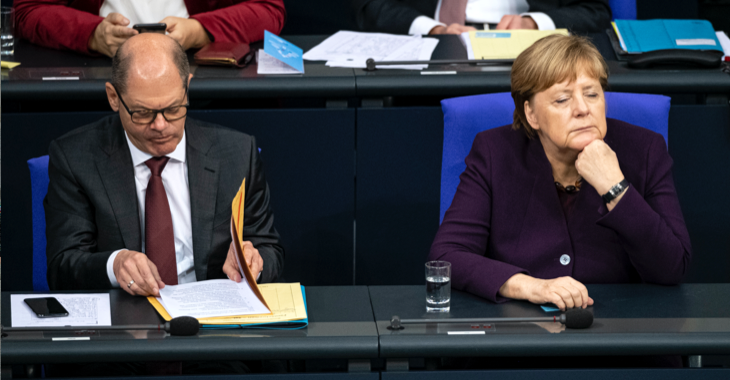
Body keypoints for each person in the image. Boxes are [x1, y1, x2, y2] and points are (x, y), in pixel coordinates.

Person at [429, 34, 692, 311]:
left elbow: (673, 267)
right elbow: (448, 256)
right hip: (522, 335)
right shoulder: (495, 152)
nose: (582, 109)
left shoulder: (644, 150)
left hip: (621, 332)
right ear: (531, 114)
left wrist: (615, 187)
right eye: (562, 99)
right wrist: (531, 286)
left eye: (592, 94)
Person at [44, 33, 284, 296]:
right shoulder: (76, 157)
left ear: (187, 88)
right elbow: (62, 268)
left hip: (211, 319)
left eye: (173, 109)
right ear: (114, 98)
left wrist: (254, 263)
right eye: (143, 113)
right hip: (126, 318)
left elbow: (269, 250)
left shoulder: (236, 154)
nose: (160, 126)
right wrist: (114, 265)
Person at [15, 0, 286, 57]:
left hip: (199, 86)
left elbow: (268, 10)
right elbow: (27, 11)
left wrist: (198, 30)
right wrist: (93, 34)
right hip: (98, 81)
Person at [352, 0, 611, 36]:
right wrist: (431, 29)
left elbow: (595, 11)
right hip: (430, 41)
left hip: (527, 47)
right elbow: (369, 5)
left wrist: (533, 23)